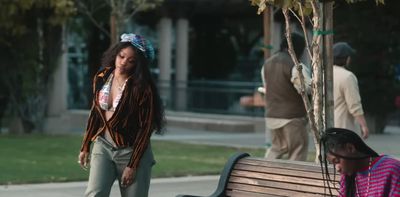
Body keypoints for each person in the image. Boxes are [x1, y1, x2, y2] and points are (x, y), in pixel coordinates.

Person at [78, 33, 165, 197]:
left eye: (131, 61)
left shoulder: (142, 88)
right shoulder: (102, 77)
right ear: (115, 54)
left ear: (138, 65)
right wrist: (85, 146)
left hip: (132, 151)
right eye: (121, 56)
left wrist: (133, 165)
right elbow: (95, 113)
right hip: (103, 145)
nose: (124, 62)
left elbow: (146, 128)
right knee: (94, 194)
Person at [262, 32, 310, 161]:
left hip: (271, 115)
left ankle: (265, 174)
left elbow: (266, 86)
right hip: (292, 117)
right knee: (298, 150)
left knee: (276, 149)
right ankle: (293, 180)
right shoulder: (296, 66)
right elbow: (305, 89)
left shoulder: (267, 63)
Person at [320, 127, 400, 197]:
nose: (337, 168)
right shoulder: (348, 177)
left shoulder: (391, 169)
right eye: (333, 164)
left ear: (350, 148)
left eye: (337, 161)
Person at [333, 42, 369, 139]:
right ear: (347, 58)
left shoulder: (324, 74)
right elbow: (354, 105)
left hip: (328, 126)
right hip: (344, 127)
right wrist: (364, 125)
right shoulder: (348, 77)